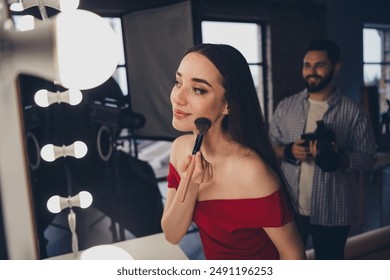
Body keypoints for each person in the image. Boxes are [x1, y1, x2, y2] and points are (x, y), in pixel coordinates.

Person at [161, 43, 305, 260]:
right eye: (178, 82)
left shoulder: (250, 170)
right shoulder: (180, 148)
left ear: (228, 104)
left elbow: (293, 254)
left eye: (198, 89)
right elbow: (171, 235)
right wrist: (190, 183)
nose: (178, 98)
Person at [269, 39, 377, 260]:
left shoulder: (353, 111)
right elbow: (269, 148)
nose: (311, 71)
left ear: (335, 67)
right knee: (288, 264)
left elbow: (368, 158)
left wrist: (339, 159)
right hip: (291, 207)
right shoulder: (285, 106)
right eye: (307, 65)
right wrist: (288, 151)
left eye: (320, 65)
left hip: (334, 209)